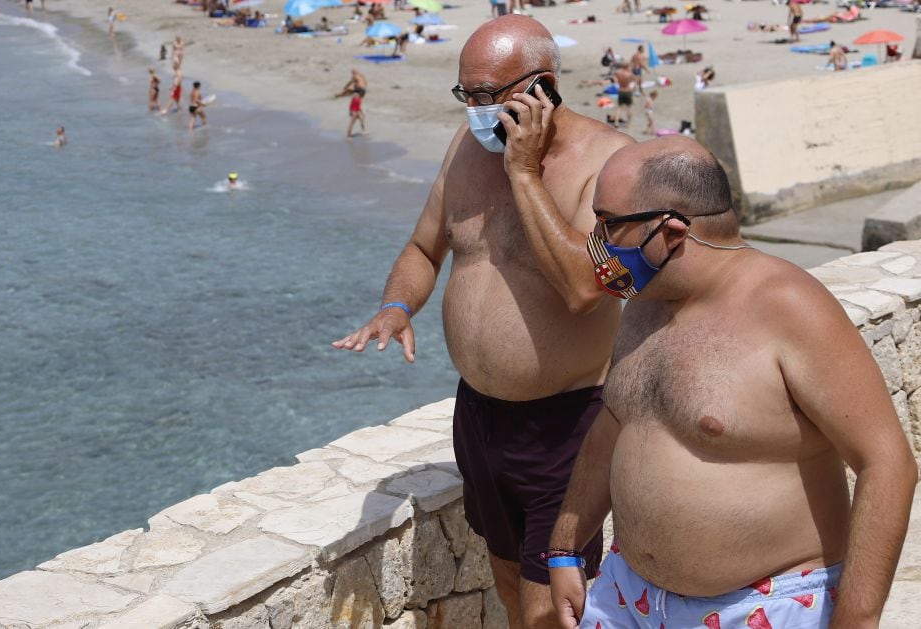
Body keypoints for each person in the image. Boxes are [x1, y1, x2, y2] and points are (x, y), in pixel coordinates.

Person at [333, 15, 632, 628]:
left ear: (543, 87)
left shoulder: (610, 163)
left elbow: (585, 287)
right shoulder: (467, 149)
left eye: (488, 97)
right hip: (479, 416)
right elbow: (423, 249)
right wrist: (397, 306)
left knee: (552, 606)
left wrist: (523, 173)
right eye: (465, 95)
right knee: (507, 582)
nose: (474, 111)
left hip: (567, 423)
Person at [547, 136, 918, 629]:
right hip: (627, 597)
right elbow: (614, 424)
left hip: (764, 608)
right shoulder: (642, 302)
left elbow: (887, 464)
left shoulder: (790, 308)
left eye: (609, 223)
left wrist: (855, 619)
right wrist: (565, 547)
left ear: (671, 230)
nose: (595, 239)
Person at [614, 61, 635, 127]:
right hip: (627, 91)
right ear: (627, 67)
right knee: (628, 108)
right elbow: (634, 81)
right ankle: (629, 123)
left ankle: (616, 122)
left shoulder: (618, 73)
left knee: (619, 107)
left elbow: (615, 80)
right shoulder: (629, 74)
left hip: (621, 91)